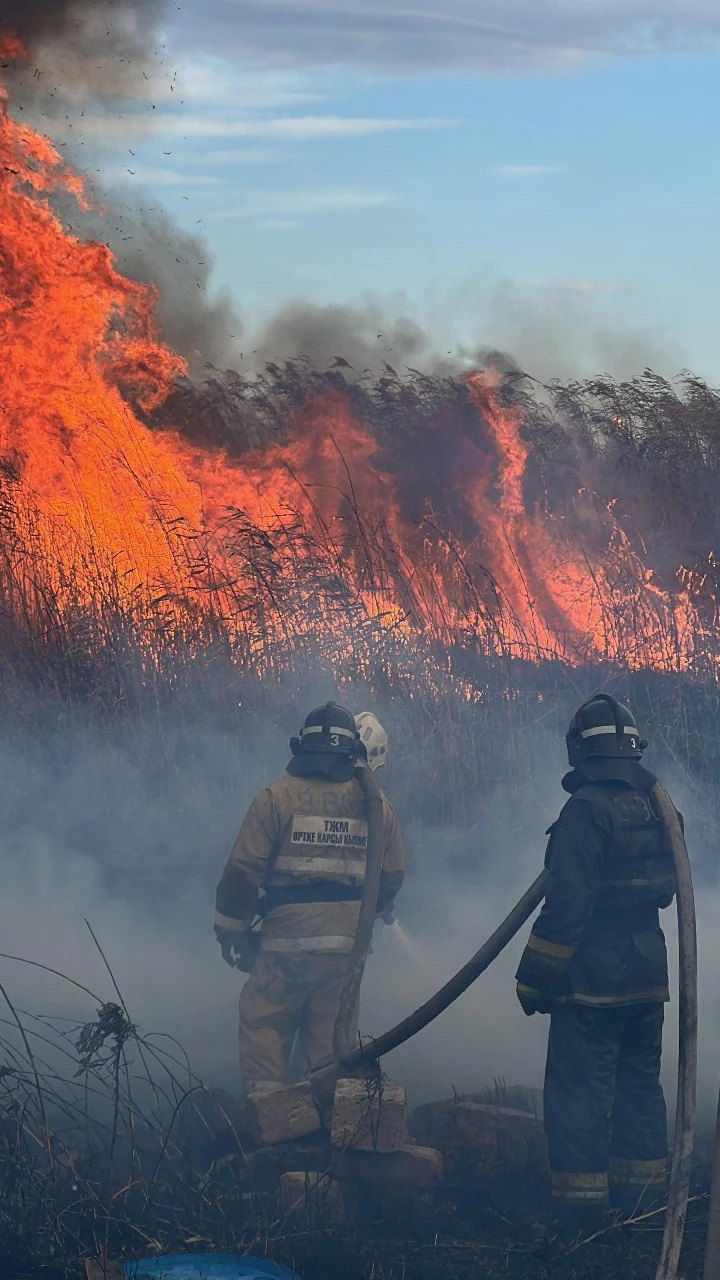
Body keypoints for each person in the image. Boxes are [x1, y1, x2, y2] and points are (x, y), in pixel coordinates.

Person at [515, 694, 678, 1230]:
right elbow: (668, 889)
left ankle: (579, 1216)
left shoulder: (585, 810)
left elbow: (567, 907)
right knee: (639, 1086)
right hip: (648, 972)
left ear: (579, 753)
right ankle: (644, 1206)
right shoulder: (660, 803)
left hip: (592, 979)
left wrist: (535, 979)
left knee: (579, 1092)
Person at [214, 701, 405, 1094]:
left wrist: (230, 931)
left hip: (287, 943)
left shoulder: (277, 798)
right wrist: (364, 918)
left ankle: (273, 1125)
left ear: (301, 748)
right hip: (347, 949)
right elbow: (392, 876)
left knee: (265, 1023)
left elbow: (242, 872)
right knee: (332, 1045)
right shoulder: (378, 807)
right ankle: (333, 1131)